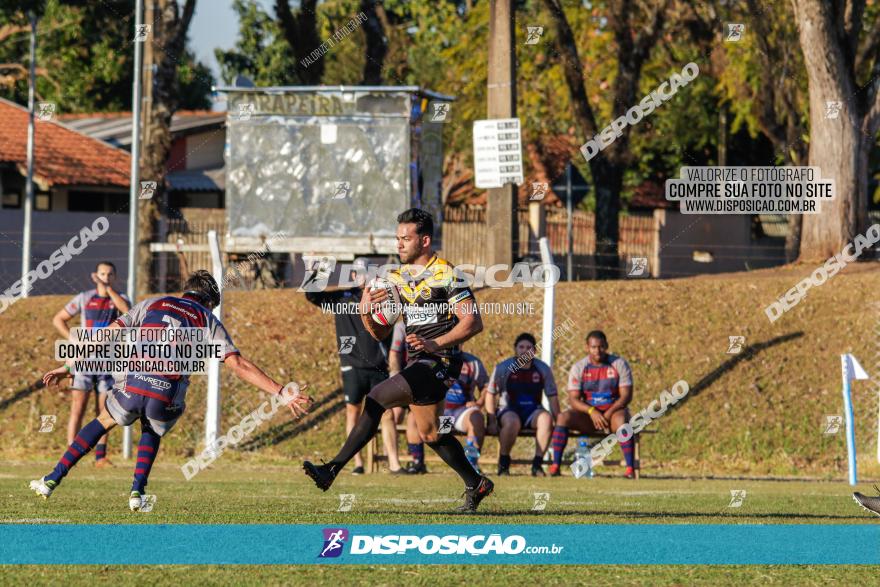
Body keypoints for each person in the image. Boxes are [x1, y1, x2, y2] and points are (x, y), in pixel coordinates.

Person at [31, 270, 312, 510]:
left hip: (132, 383)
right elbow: (237, 363)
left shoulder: (152, 303)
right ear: (210, 301)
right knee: (152, 426)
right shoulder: (207, 319)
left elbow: (106, 335)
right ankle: (137, 492)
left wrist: (68, 367)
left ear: (185, 291)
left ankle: (52, 478)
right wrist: (280, 391)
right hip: (164, 393)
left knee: (104, 420)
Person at [303, 208, 494, 512]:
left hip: (440, 362)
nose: (399, 244)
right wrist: (366, 310)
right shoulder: (395, 278)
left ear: (425, 240)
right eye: (397, 238)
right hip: (418, 363)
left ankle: (332, 470)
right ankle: (476, 483)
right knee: (431, 433)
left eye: (406, 238)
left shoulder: (447, 274)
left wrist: (435, 342)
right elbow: (378, 334)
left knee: (376, 398)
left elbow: (472, 322)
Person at [303, 257, 402, 474]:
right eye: (357, 273)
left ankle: (394, 463)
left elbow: (394, 314)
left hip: (378, 366)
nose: (361, 277)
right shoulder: (341, 298)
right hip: (352, 365)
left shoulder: (379, 298)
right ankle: (356, 464)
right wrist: (316, 271)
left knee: (386, 414)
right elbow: (312, 294)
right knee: (353, 413)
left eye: (365, 272)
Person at [51, 261, 130, 467]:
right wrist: (74, 340)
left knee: (105, 410)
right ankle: (70, 453)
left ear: (115, 277)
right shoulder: (85, 298)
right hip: (84, 360)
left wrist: (110, 290)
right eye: (102, 274)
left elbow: (128, 313)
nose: (105, 277)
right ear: (95, 275)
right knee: (78, 406)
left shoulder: (120, 298)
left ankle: (100, 457)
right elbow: (59, 319)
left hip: (109, 362)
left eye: (110, 274)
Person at [550, 330, 635, 478]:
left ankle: (630, 469)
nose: (597, 351)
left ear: (606, 346)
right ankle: (555, 466)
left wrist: (608, 413)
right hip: (589, 416)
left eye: (601, 346)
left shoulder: (619, 364)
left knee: (622, 421)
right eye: (594, 347)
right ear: (587, 347)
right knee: (563, 417)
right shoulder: (579, 367)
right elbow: (573, 400)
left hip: (613, 413)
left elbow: (626, 396)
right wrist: (592, 411)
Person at [405, 345, 489, 473]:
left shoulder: (473, 362)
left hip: (460, 412)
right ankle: (417, 462)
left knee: (476, 418)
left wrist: (478, 403)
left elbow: (485, 387)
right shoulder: (430, 359)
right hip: (440, 412)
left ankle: (471, 462)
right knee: (412, 418)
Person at [486, 333, 559, 476]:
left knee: (546, 419)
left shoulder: (543, 369)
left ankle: (537, 465)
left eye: (529, 347)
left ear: (534, 350)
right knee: (512, 422)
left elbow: (552, 396)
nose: (525, 350)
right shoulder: (503, 368)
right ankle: (504, 463)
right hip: (508, 410)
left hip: (532, 410)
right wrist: (491, 420)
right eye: (521, 347)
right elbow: (490, 394)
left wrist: (558, 419)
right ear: (515, 349)